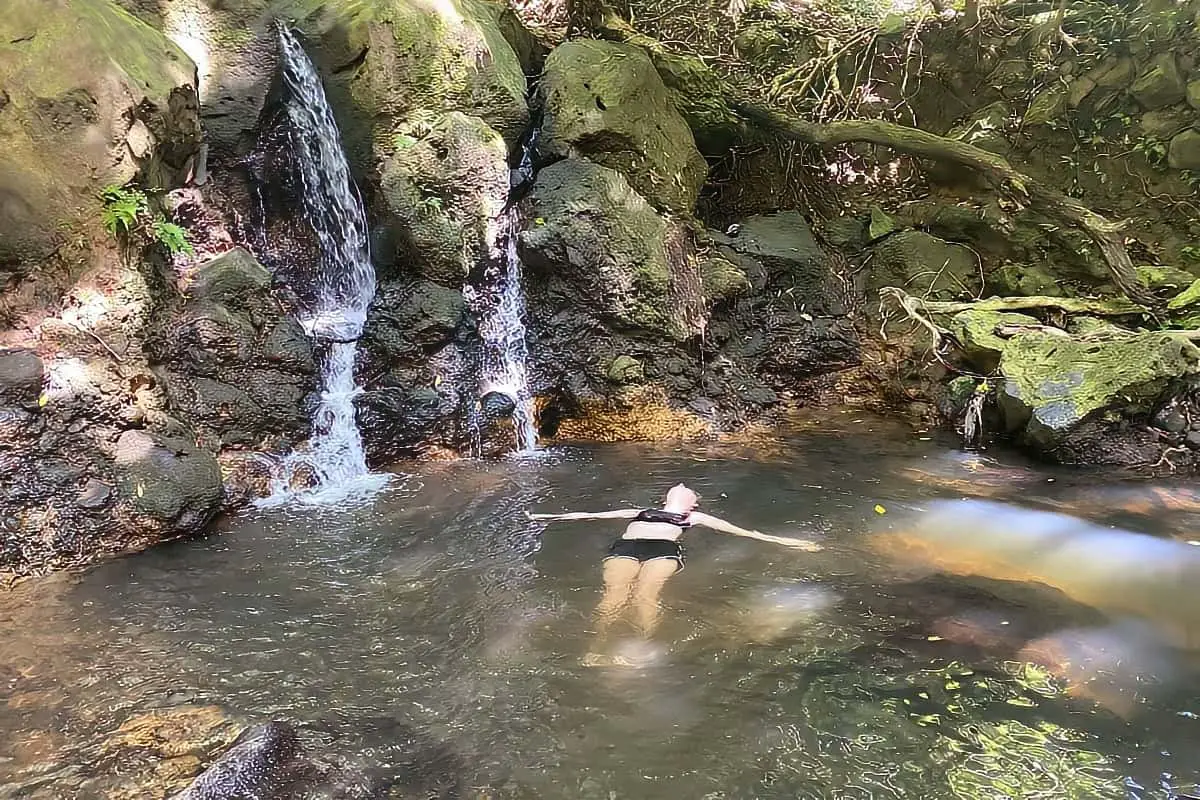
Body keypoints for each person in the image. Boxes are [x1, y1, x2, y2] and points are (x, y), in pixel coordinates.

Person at [527, 483, 821, 664]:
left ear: (692, 502)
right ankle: (595, 650)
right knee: (615, 595)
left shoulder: (694, 517)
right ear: (667, 497)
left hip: (659, 549)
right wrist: (544, 517)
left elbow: (746, 533)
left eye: (689, 491)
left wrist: (791, 543)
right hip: (627, 547)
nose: (682, 487)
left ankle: (637, 648)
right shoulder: (639, 510)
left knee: (645, 596)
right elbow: (592, 515)